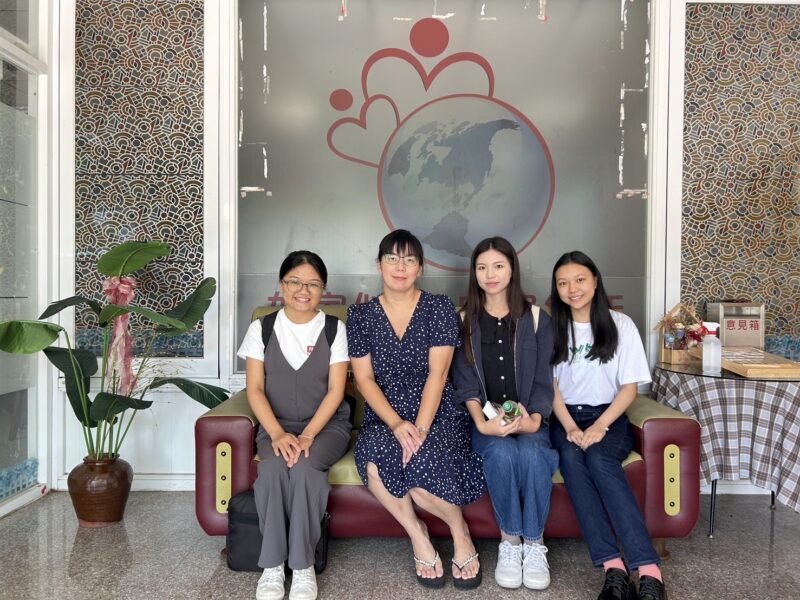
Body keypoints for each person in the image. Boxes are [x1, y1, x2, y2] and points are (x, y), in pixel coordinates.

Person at [346, 229, 486, 590]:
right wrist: (396, 424)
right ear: (379, 265)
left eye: (409, 260)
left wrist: (419, 431)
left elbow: (438, 375)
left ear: (420, 268)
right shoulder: (360, 315)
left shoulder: (439, 308)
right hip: (386, 416)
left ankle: (460, 532)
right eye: (392, 258)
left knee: (420, 465)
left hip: (437, 413)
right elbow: (364, 379)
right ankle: (418, 534)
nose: (400, 267)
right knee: (375, 458)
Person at [549, 251, 667, 600]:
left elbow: (629, 388)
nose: (572, 289)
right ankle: (614, 568)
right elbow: (550, 387)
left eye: (579, 280)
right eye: (563, 283)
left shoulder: (620, 325)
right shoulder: (552, 328)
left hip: (609, 416)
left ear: (595, 281)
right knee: (572, 461)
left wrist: (600, 425)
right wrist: (570, 427)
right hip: (565, 417)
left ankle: (649, 570)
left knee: (600, 459)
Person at [237, 251, 351, 600]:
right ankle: (272, 565)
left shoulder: (334, 328)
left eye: (313, 284)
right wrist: (276, 433)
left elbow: (336, 391)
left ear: (323, 289)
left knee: (303, 467)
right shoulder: (262, 328)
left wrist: (308, 435)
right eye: (295, 282)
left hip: (326, 427)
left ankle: (302, 566)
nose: (304, 290)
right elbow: (254, 389)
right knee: (272, 467)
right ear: (281, 285)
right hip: (276, 425)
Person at [451, 236, 558, 591]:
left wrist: (533, 421)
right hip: (486, 420)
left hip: (529, 418)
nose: (490, 274)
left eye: (498, 266)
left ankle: (535, 543)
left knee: (534, 453)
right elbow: (465, 380)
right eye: (482, 267)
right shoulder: (464, 320)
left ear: (512, 269)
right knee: (500, 452)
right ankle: (510, 542)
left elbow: (543, 379)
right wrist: (483, 425)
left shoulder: (537, 319)